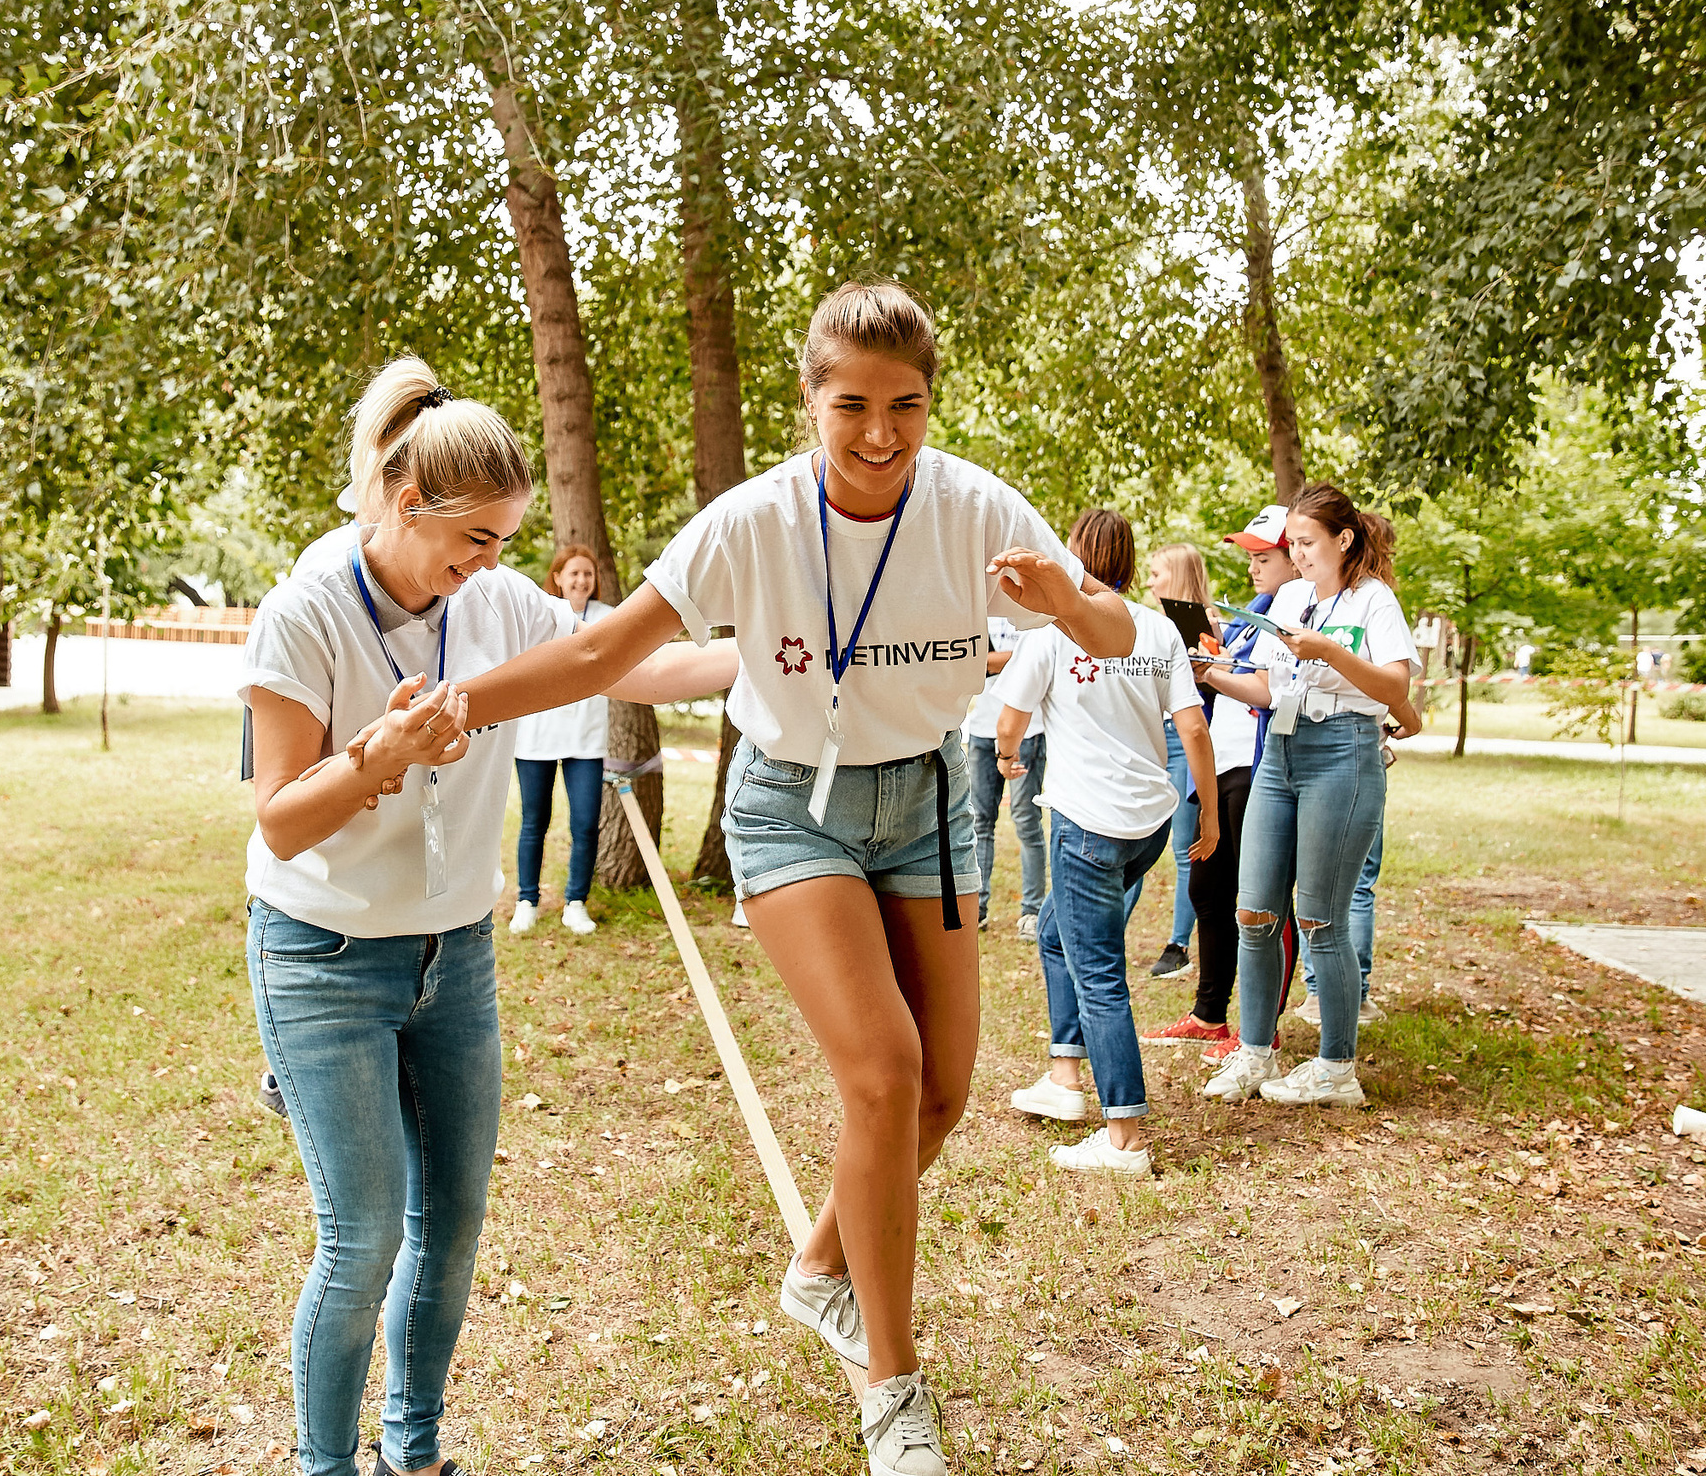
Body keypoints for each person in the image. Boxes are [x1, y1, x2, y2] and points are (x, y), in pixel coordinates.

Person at [459, 282, 1132, 1476]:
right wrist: (459, 704)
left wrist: (1068, 603)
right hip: (789, 807)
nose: (879, 433)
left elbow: (1116, 636)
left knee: (942, 1096)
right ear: (810, 401)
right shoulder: (751, 521)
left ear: (929, 403)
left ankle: (819, 1268)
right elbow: (607, 648)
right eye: (851, 406)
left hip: (928, 803)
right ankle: (893, 1391)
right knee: (884, 1072)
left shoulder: (977, 507)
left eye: (905, 405)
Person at [239, 358, 731, 1476]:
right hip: (322, 956)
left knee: (450, 1230)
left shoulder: (492, 603)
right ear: (408, 503)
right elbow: (280, 821)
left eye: (505, 540)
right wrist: (379, 755)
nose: (491, 563)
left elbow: (632, 666)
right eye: (475, 539)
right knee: (362, 1238)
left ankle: (412, 1454)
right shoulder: (304, 612)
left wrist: (782, 653)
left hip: (454, 958)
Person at [999, 509, 1217, 1175]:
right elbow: (1193, 728)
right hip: (1147, 825)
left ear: (1071, 556)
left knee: (1098, 974)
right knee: (1055, 933)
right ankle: (1065, 1074)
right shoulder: (1158, 628)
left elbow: (1010, 720)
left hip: (1087, 824)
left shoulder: (1051, 629)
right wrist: (1207, 814)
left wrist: (1007, 756)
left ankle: (1124, 1137)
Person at [1196, 483, 1417, 1109]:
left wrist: (1330, 652)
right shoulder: (1291, 597)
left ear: (1343, 540)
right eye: (1290, 543)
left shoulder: (1374, 600)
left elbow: (1395, 687)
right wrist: (1210, 673)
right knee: (1253, 911)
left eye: (1307, 542)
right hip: (1280, 753)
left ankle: (1336, 1068)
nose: (1296, 555)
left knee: (1320, 918)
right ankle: (1255, 1051)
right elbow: (1268, 688)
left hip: (1343, 753)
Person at [1146, 505, 1293, 1056]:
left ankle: (1261, 1029)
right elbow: (1226, 680)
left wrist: (1210, 668)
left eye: (1264, 557)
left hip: (1259, 769)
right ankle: (1209, 1015)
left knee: (1262, 901)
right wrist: (1210, 660)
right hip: (1221, 765)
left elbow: (1267, 690)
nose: (1253, 567)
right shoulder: (1253, 612)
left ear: (1297, 557)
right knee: (1207, 888)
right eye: (1250, 557)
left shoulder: (1294, 617)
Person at [1292, 510, 1420, 1026]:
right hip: (1327, 751)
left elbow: (1390, 684)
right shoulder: (1321, 600)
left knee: (1341, 889)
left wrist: (1407, 716)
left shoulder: (1373, 603)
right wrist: (1410, 718)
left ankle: (1337, 993)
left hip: (1357, 755)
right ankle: (1339, 990)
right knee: (1342, 888)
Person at [510, 542, 609, 935]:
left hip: (586, 739)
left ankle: (575, 903)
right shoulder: (540, 615)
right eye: (574, 573)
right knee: (534, 822)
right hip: (536, 737)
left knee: (585, 824)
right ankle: (527, 901)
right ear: (558, 578)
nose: (582, 580)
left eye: (588, 573)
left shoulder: (607, 618)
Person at [1132, 542, 1218, 976]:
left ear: (1179, 575)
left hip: (1184, 740)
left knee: (1187, 846)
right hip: (1149, 737)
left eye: (1157, 574)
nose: (1149, 583)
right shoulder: (1145, 625)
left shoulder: (1209, 627)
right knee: (1129, 837)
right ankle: (1107, 931)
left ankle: (1178, 944)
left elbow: (1212, 692)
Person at [961, 615, 1047, 935]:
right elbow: (973, 663)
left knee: (1026, 820)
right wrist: (1015, 660)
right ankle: (978, 908)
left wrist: (993, 660)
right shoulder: (977, 610)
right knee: (980, 821)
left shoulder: (1033, 614)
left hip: (1027, 731)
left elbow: (1040, 660)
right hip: (983, 731)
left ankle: (1032, 912)